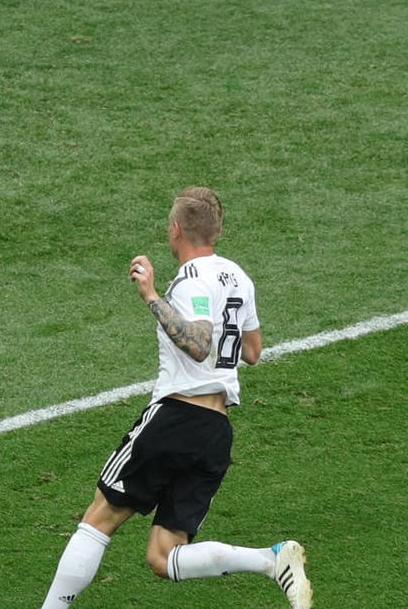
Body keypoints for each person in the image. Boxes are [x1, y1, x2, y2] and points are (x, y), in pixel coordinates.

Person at [40, 187, 312, 609]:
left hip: (176, 418)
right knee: (164, 556)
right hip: (215, 432)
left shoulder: (190, 278)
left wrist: (151, 296)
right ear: (216, 231)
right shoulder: (239, 276)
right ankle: (271, 560)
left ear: (176, 230)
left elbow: (200, 343)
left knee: (98, 519)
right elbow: (254, 351)